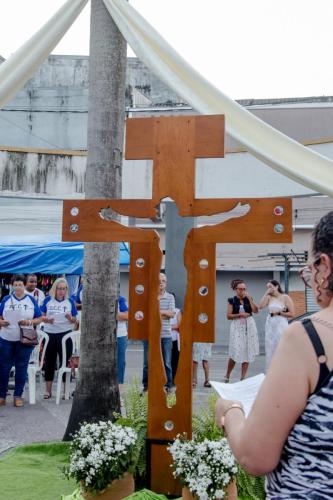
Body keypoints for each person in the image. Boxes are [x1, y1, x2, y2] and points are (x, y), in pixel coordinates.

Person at [215, 210, 333, 499]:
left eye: (310, 267)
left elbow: (256, 456)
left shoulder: (310, 338)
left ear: (325, 266)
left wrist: (229, 412)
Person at [0, 274, 42, 407]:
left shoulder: (30, 300)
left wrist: (29, 321)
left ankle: (18, 395)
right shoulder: (6, 299)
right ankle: (1, 395)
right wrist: (1, 322)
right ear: (12, 286)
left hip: (24, 339)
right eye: (15, 284)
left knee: (21, 367)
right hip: (6, 338)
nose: (18, 287)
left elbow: (39, 318)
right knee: (4, 367)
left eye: (20, 284)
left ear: (24, 285)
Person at [40, 277, 78, 399]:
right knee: (49, 363)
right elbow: (41, 317)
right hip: (50, 334)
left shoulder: (70, 301)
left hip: (65, 335)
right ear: (54, 289)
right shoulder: (48, 300)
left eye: (64, 289)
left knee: (65, 363)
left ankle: (64, 391)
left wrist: (69, 318)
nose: (61, 291)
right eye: (59, 288)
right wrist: (47, 319)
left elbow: (75, 321)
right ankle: (48, 391)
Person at [142, 273, 175, 393]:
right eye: (159, 280)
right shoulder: (149, 296)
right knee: (147, 362)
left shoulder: (170, 297)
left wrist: (156, 311)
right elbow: (146, 313)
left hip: (165, 335)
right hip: (149, 335)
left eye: (164, 281)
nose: (161, 282)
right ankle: (146, 386)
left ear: (166, 283)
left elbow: (171, 314)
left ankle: (169, 386)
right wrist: (163, 312)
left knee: (166, 362)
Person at [224, 278, 259, 382]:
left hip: (249, 326)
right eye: (240, 289)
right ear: (236, 289)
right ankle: (227, 375)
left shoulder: (249, 298)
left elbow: (256, 311)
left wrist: (250, 299)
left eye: (244, 289)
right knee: (235, 350)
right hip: (237, 327)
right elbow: (228, 316)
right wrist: (240, 315)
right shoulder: (232, 300)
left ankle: (243, 377)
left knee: (247, 351)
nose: (242, 291)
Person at [258, 279, 295, 370]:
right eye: (267, 287)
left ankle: (283, 369)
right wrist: (266, 293)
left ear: (277, 286)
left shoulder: (285, 297)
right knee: (270, 347)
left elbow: (292, 314)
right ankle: (271, 371)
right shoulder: (269, 297)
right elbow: (260, 306)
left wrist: (279, 313)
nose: (269, 289)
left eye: (270, 287)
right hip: (270, 325)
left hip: (281, 324)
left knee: (281, 346)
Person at [117, 295, 128, 386]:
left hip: (120, 335)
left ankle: (119, 388)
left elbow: (127, 316)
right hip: (103, 336)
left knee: (120, 362)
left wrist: (112, 313)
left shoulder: (121, 299)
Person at [170, 298, 182, 384]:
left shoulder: (177, 311)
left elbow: (179, 324)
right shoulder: (163, 309)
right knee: (166, 360)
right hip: (164, 337)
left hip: (174, 339)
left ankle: (174, 379)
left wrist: (168, 327)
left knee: (175, 360)